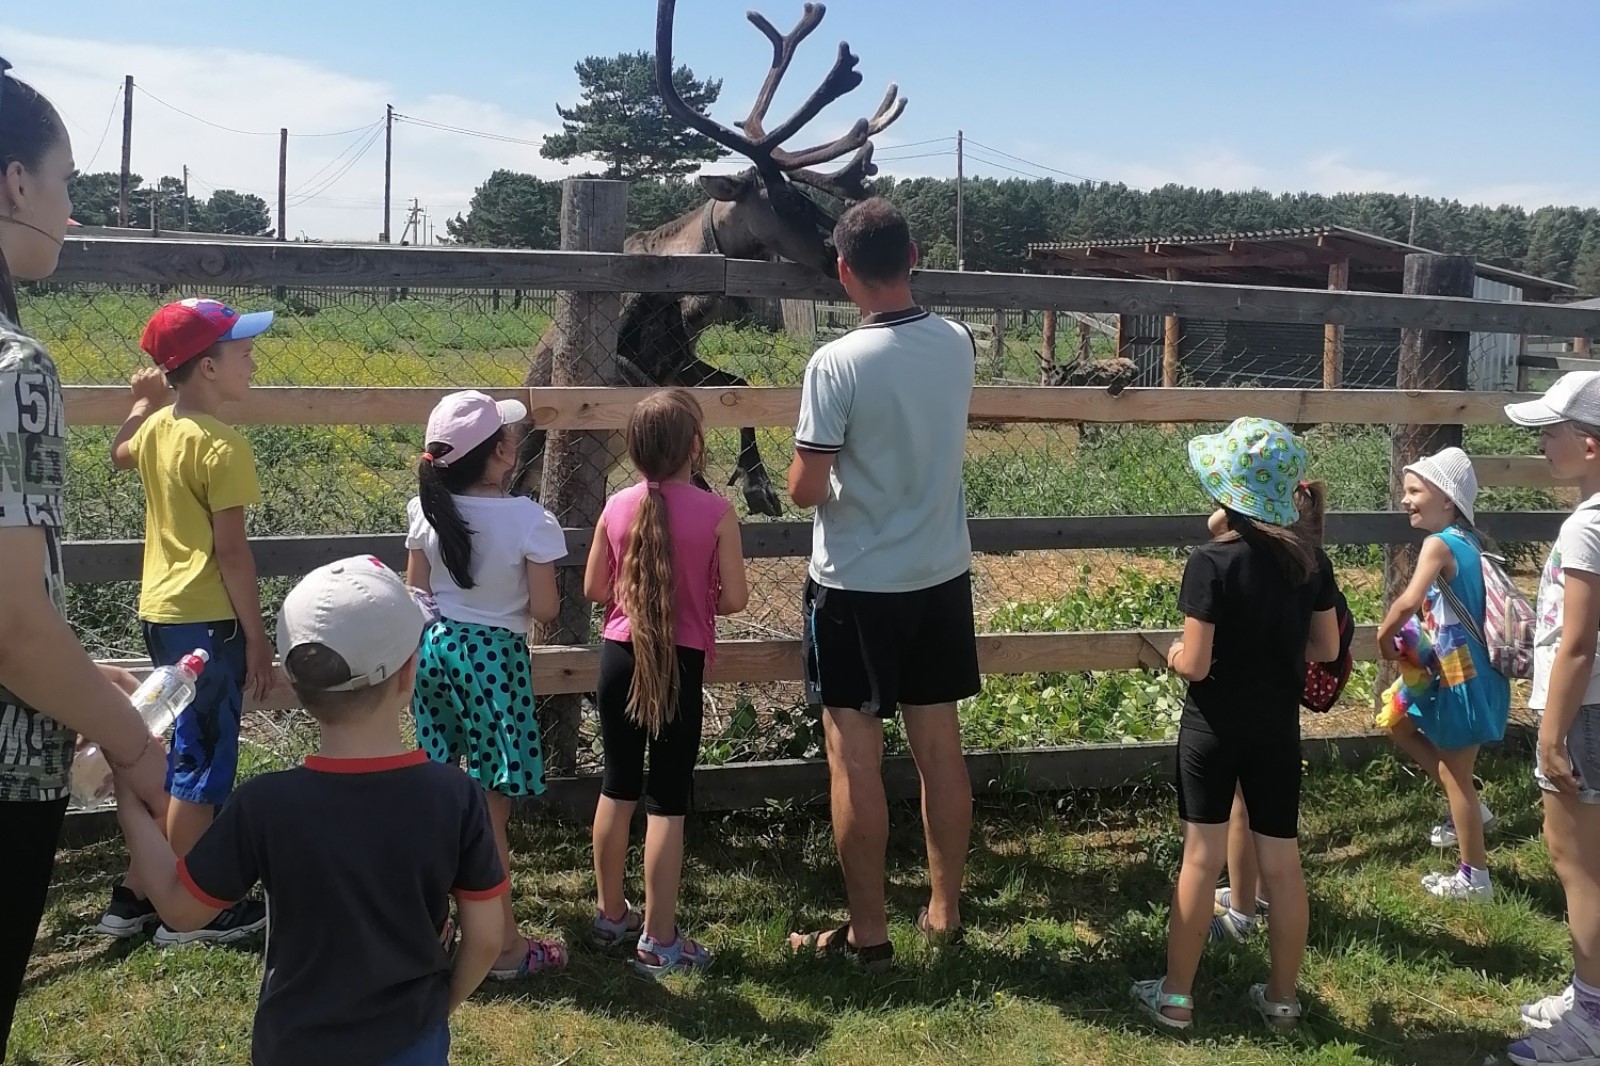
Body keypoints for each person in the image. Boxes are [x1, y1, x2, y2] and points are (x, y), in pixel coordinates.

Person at [113, 556, 507, 1066]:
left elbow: (179, 908)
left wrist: (130, 801)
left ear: (296, 685)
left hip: (294, 1045)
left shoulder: (265, 803)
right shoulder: (455, 795)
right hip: (412, 1046)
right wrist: (436, 1008)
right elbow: (487, 937)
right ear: (409, 673)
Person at [0, 62, 172, 1059]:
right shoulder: (15, 370)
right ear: (16, 182)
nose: (68, 212)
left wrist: (76, 672)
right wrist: (130, 741)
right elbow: (13, 633)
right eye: (65, 182)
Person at [785, 198, 980, 970]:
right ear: (914, 257)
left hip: (857, 583)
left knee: (854, 760)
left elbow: (806, 486)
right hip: (939, 572)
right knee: (940, 751)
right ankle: (945, 912)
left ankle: (868, 936)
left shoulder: (835, 364)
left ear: (843, 271)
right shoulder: (958, 343)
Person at [1133, 418, 1339, 1032]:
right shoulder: (1309, 561)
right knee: (1284, 862)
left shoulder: (1210, 562)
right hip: (1276, 730)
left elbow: (1196, 663)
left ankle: (1176, 996)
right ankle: (1282, 1000)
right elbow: (1327, 647)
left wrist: (1174, 655)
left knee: (1201, 859)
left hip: (1213, 727)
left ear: (1228, 491)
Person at [96, 298, 277, 946]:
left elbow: (119, 451)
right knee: (201, 773)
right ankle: (188, 910)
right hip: (209, 625)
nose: (252, 363)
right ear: (207, 367)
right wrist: (256, 637)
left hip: (162, 615)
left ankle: (135, 897)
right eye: (243, 353)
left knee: (186, 756)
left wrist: (142, 402)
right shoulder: (223, 446)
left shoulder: (158, 430)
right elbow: (233, 553)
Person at [583, 388, 748, 978]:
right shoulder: (717, 512)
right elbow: (735, 598)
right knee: (667, 800)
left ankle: (610, 916)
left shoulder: (615, 507)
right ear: (695, 447)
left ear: (633, 449)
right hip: (679, 666)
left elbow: (595, 590)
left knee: (617, 786)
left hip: (618, 659)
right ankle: (658, 940)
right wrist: (695, 598)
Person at [406, 390, 569, 979]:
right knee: (488, 813)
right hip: (495, 661)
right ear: (501, 453)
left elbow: (417, 592)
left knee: (437, 796)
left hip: (435, 652)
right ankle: (502, 947)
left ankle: (430, 927)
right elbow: (546, 609)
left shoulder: (423, 509)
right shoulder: (528, 519)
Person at [1500, 372, 1600, 1065]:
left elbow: (1578, 642)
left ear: (1590, 444)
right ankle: (1588, 990)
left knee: (1576, 863)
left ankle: (1590, 1020)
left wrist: (1552, 734)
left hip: (1583, 711)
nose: (1541, 444)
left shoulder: (1588, 525)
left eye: (1550, 432)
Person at [1375, 445, 1509, 902]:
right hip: (1461, 671)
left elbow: (1408, 601)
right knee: (1399, 723)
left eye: (1415, 491)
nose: (1405, 499)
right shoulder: (1468, 543)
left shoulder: (1439, 544)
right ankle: (1471, 811)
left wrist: (1384, 637)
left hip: (1461, 676)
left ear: (1447, 499)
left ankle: (1475, 878)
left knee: (1456, 776)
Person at [1207, 480, 1332, 943]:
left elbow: (1216, 526)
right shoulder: (1309, 559)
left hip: (1234, 710)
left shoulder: (1226, 558)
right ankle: (1259, 899)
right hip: (1280, 713)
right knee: (1275, 827)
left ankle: (1241, 913)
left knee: (1242, 807)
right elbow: (1328, 646)